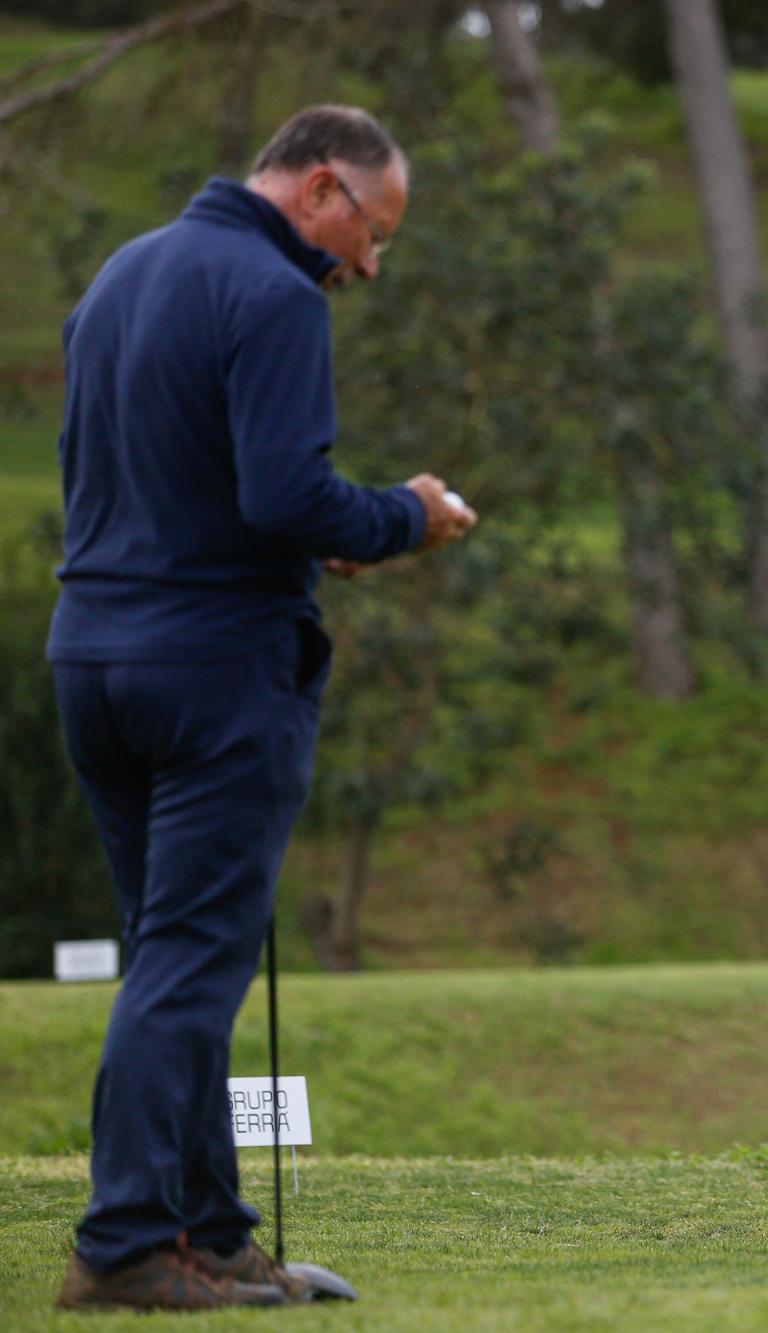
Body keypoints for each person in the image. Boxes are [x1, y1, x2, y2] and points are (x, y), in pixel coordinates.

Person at [47, 105, 476, 1312]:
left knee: (166, 956)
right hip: (215, 668)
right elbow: (291, 496)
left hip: (93, 656)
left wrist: (294, 538)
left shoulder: (120, 276)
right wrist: (407, 515)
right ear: (323, 189)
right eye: (373, 234)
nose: (368, 267)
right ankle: (127, 1241)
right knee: (190, 961)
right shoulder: (275, 293)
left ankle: (211, 1230)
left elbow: (168, 483)